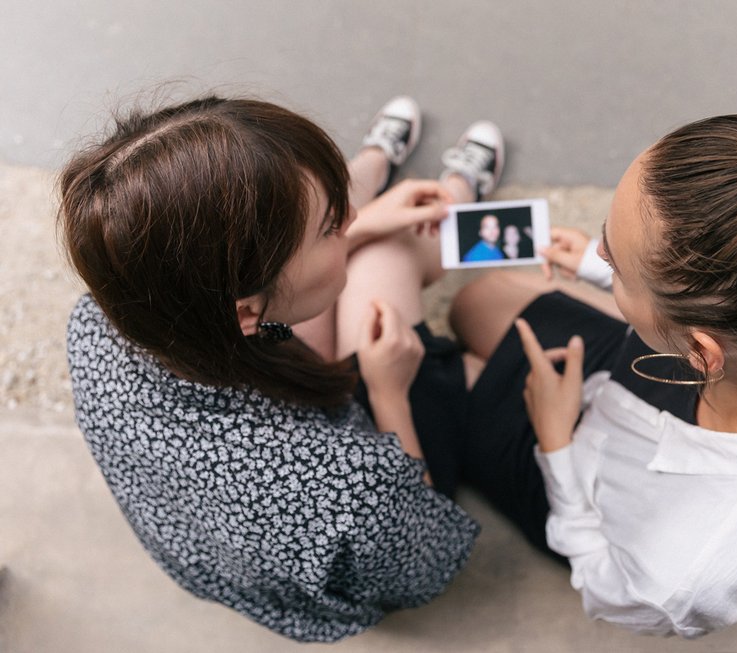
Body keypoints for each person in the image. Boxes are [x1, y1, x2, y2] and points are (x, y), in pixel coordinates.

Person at [450, 99, 737, 637]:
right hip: (641, 373)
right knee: (476, 304)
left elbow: (609, 589)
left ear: (700, 354)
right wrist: (599, 270)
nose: (598, 249)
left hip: (578, 481)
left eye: (617, 263)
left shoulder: (686, 571)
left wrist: (556, 443)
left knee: (448, 378)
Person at [59, 94, 505, 642]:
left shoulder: (102, 320)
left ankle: (375, 162)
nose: (349, 219)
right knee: (385, 259)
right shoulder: (348, 483)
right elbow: (425, 564)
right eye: (329, 226)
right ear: (247, 308)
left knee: (341, 223)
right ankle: (453, 194)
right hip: (362, 511)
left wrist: (355, 228)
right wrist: (391, 394)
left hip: (238, 530)